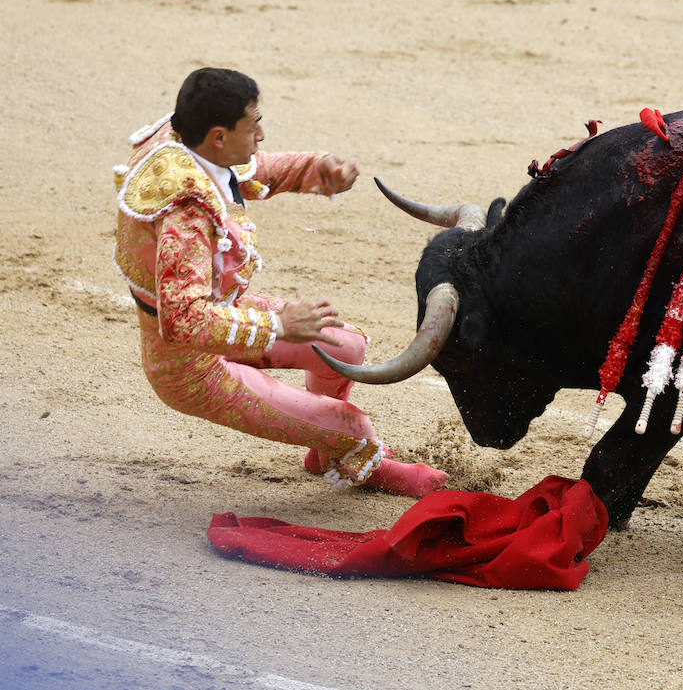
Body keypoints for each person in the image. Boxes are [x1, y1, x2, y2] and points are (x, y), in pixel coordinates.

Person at [113, 67, 448, 497]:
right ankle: (352, 452)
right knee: (355, 427)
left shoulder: (184, 138)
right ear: (218, 135)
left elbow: (247, 171)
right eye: (253, 124)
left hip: (226, 317)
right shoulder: (187, 214)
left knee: (345, 347)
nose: (262, 133)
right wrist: (278, 326)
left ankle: (324, 447)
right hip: (189, 365)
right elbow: (182, 322)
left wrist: (313, 168)